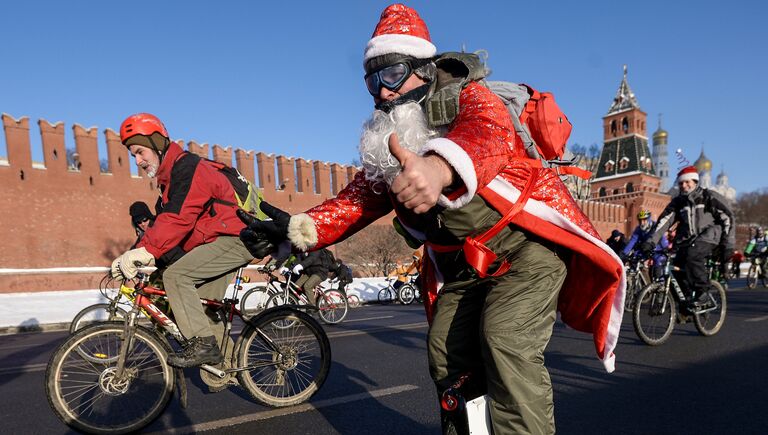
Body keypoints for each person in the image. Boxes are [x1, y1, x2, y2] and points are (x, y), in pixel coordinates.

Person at [239, 5, 624, 434]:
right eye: (372, 79)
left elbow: (487, 134)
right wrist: (299, 229)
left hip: (525, 253)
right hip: (467, 266)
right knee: (445, 351)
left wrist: (439, 169)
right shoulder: (392, 137)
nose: (382, 92)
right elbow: (360, 199)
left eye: (392, 74)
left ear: (423, 68)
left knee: (505, 341)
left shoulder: (469, 96)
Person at [110, 113, 271, 369]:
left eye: (141, 152)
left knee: (177, 277)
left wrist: (146, 252)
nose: (138, 161)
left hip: (237, 237)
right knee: (202, 308)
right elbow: (164, 228)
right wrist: (135, 255)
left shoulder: (188, 168)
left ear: (157, 143)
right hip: (218, 241)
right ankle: (227, 368)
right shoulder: (169, 184)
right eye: (133, 156)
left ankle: (204, 346)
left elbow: (178, 218)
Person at [641, 166, 734, 312]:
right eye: (681, 183)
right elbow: (663, 222)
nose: (684, 185)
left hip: (708, 236)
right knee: (676, 268)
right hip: (686, 240)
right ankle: (687, 305)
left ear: (695, 181)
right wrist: (650, 242)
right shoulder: (678, 202)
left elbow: (728, 218)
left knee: (693, 256)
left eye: (687, 182)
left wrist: (728, 244)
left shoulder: (708, 196)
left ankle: (703, 291)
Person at [622, 210, 669, 279]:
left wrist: (665, 248)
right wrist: (624, 253)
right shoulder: (638, 229)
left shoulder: (655, 226)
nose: (642, 223)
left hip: (658, 250)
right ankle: (635, 279)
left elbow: (662, 238)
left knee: (658, 261)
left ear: (649, 219)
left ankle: (660, 282)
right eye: (640, 221)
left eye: (644, 220)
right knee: (634, 258)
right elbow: (632, 241)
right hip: (645, 250)